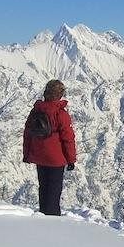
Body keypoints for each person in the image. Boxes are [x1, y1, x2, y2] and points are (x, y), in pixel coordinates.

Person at [23, 79, 77, 215]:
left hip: (39, 156)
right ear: (59, 94)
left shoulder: (36, 110)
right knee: (54, 190)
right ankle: (52, 220)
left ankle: (42, 214)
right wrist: (71, 159)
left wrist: (27, 154)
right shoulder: (61, 114)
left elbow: (28, 133)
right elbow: (68, 139)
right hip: (56, 159)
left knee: (43, 187)